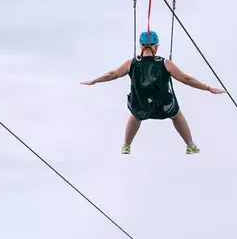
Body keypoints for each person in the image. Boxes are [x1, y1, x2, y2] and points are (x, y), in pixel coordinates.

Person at [80, 30, 225, 154]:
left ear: (140, 46)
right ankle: (190, 145)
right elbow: (186, 79)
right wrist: (208, 88)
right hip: (164, 105)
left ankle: (126, 145)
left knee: (135, 117)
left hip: (141, 106)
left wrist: (95, 80)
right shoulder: (164, 63)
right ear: (157, 46)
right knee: (177, 116)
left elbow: (112, 74)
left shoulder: (132, 62)